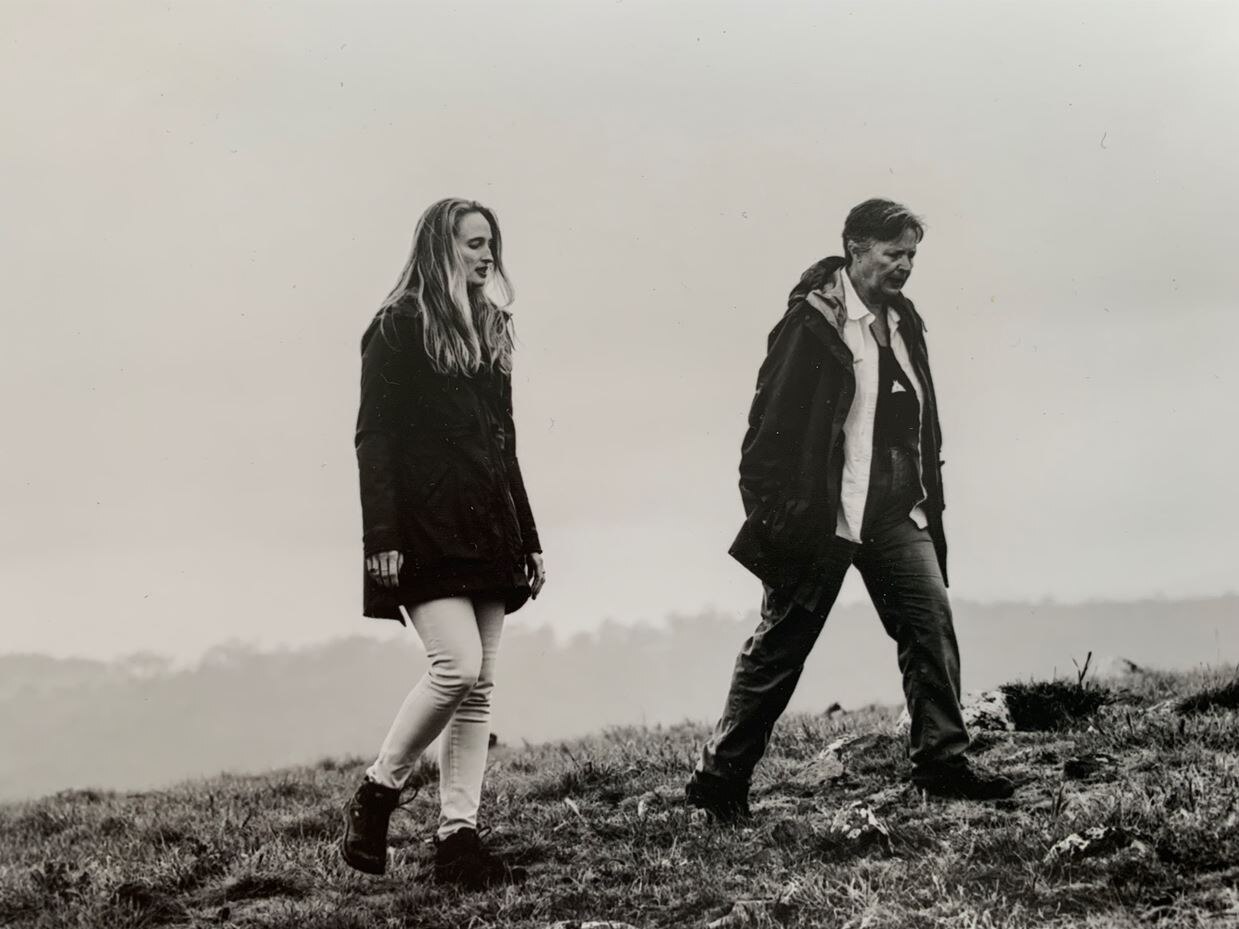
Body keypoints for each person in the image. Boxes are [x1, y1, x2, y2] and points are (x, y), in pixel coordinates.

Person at [686, 198, 1014, 822]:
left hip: (894, 512)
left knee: (929, 624)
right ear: (855, 249)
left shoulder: (905, 320)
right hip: (824, 518)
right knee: (780, 649)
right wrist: (779, 520)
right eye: (894, 254)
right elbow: (763, 440)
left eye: (912, 255)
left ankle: (942, 763)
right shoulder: (809, 325)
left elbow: (921, 419)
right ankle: (719, 780)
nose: (905, 266)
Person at [340, 198, 546, 887]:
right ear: (440, 248)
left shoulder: (491, 326)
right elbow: (374, 439)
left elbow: (504, 444)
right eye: (474, 244)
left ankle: (458, 838)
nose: (488, 256)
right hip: (423, 533)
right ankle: (377, 791)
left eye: (491, 244)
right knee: (455, 667)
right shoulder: (396, 327)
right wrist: (382, 537)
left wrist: (529, 537)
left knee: (479, 687)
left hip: (490, 528)